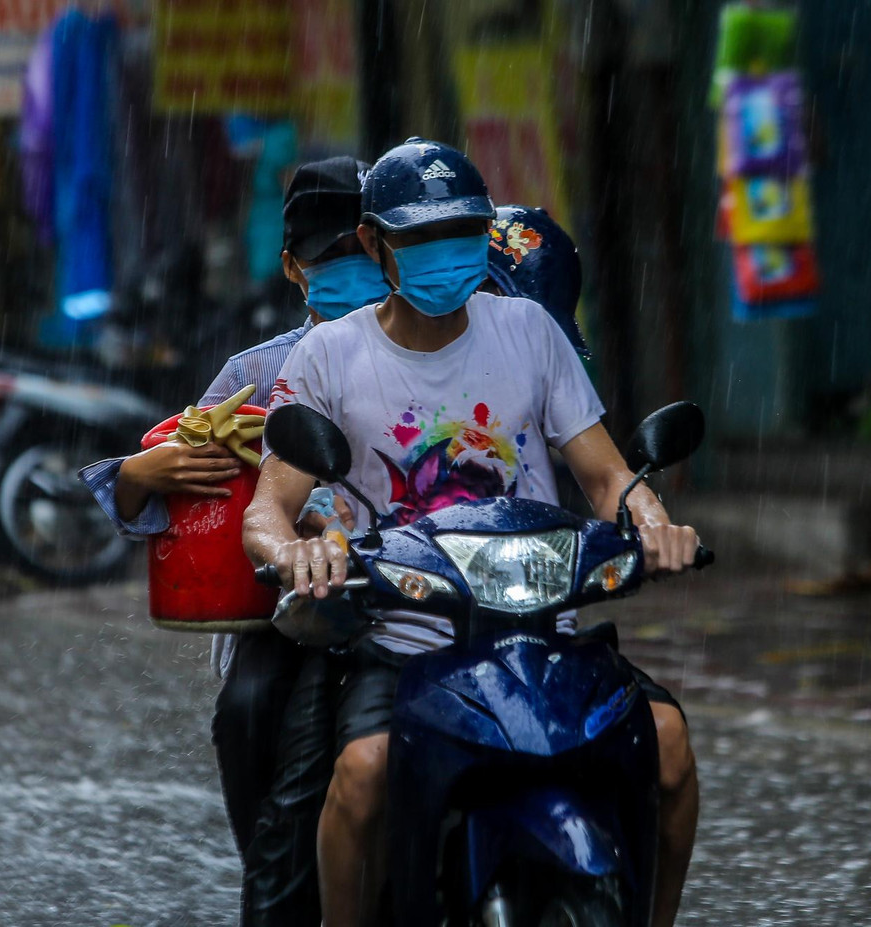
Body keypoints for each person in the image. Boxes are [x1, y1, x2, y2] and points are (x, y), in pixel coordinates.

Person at [242, 138, 701, 927]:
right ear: (374, 243)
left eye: (460, 235)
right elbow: (266, 510)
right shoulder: (328, 355)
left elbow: (605, 474)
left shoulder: (528, 330)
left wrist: (653, 520)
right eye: (420, 239)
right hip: (406, 639)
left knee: (668, 748)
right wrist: (297, 552)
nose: (443, 257)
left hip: (543, 636)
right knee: (360, 776)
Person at [78, 156, 390, 925]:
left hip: (411, 595)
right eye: (329, 260)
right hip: (282, 610)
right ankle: (274, 880)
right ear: (293, 268)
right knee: (248, 708)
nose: (348, 272)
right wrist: (149, 469)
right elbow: (135, 498)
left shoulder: (430, 351)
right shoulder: (256, 373)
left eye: (362, 255)